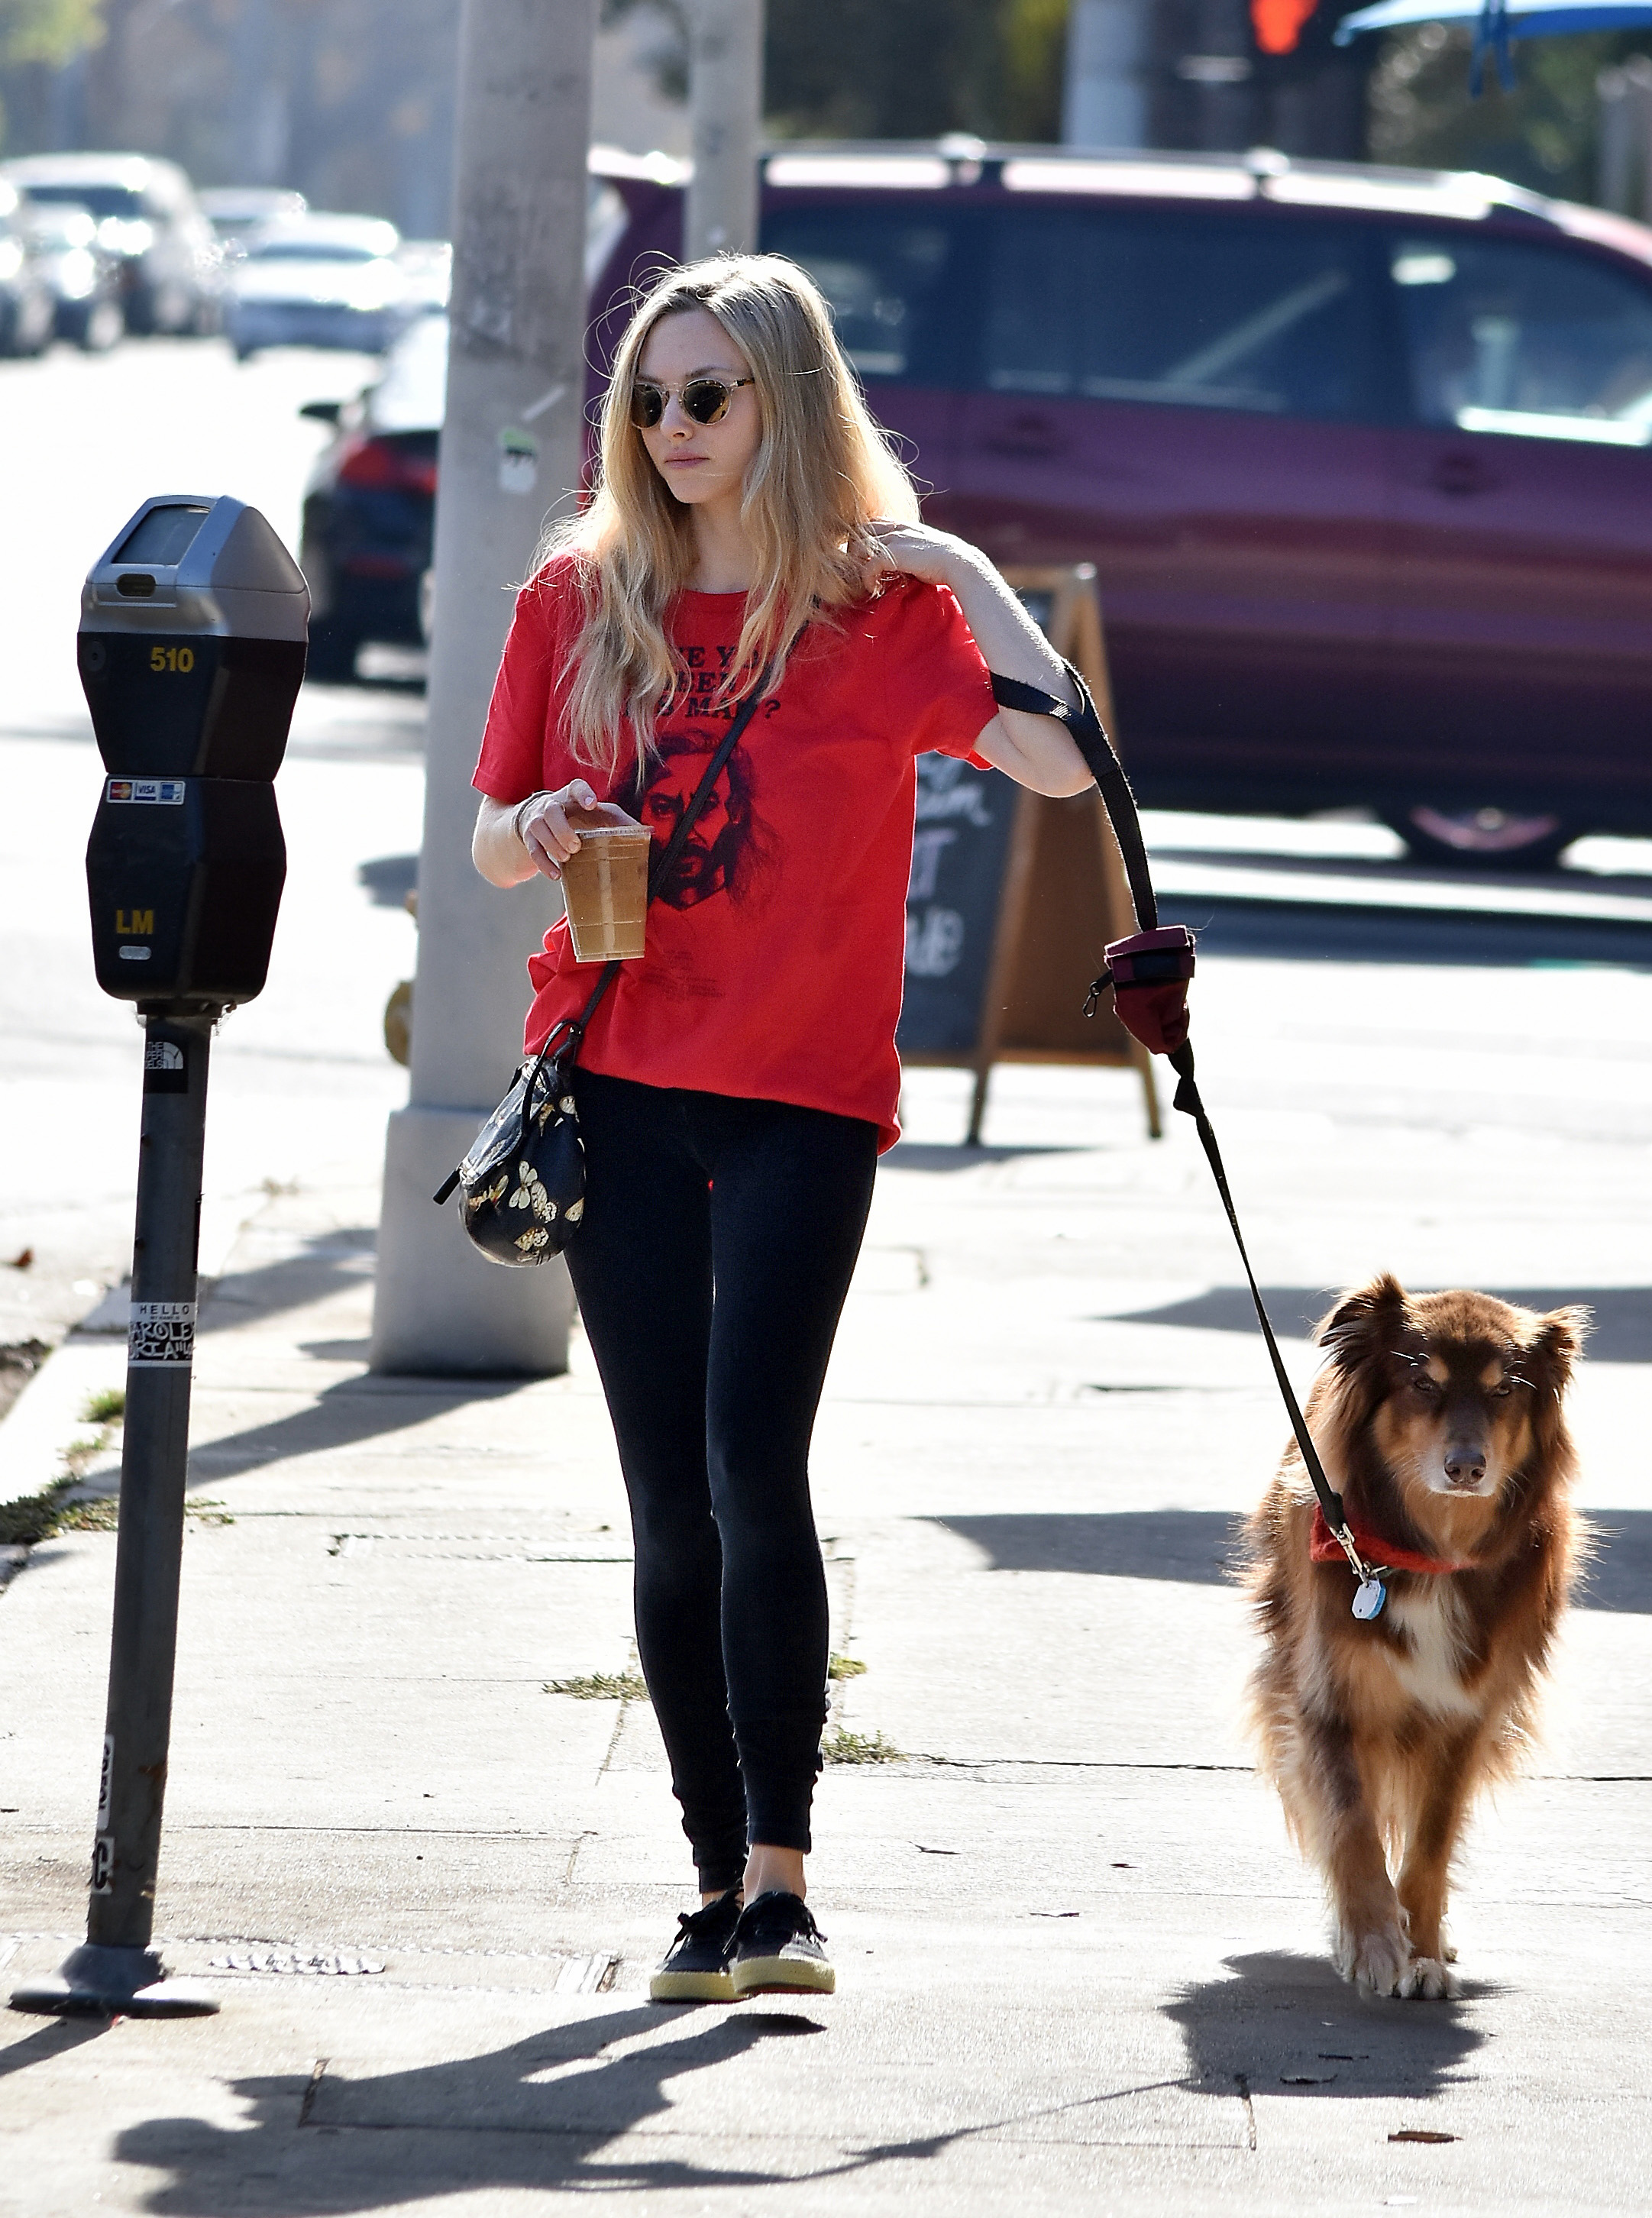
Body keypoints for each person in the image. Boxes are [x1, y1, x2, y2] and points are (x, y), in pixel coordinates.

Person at [470, 253, 1091, 2003]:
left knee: (757, 1463)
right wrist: (544, 820)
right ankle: (706, 1876)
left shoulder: (878, 621)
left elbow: (1066, 761)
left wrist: (957, 569)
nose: (669, 427)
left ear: (785, 405)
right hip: (616, 1087)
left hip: (805, 1100)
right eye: (648, 398)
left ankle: (784, 1878)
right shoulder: (576, 601)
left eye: (706, 395)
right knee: (667, 1494)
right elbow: (491, 843)